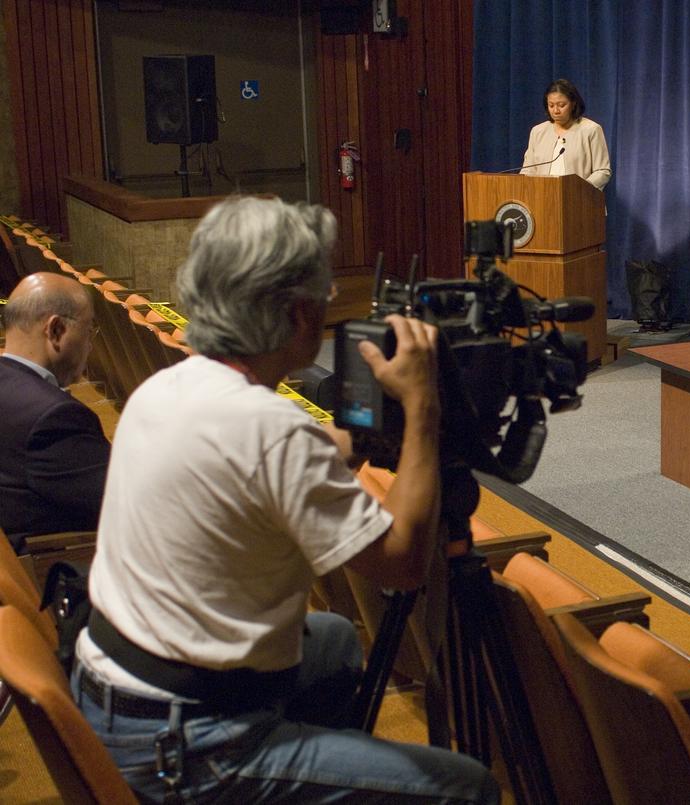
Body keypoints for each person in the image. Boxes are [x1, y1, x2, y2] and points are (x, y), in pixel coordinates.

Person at [72, 197, 499, 803]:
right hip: (183, 741)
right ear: (299, 314)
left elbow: (268, 459)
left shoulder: (168, 387)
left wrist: (360, 429)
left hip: (112, 688)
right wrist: (424, 407)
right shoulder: (272, 432)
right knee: (469, 788)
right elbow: (403, 562)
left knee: (333, 640)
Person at [0, 271, 109, 554]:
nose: (90, 346)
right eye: (88, 332)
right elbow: (128, 504)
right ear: (57, 330)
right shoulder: (56, 418)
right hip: (55, 571)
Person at [521, 78, 611, 190]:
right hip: (543, 201)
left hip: (580, 200)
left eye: (561, 105)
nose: (556, 111)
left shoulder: (591, 129)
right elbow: (528, 170)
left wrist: (580, 189)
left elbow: (602, 171)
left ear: (573, 104)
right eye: (551, 105)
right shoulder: (538, 131)